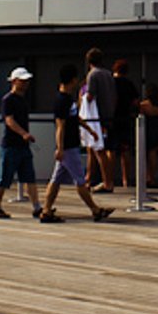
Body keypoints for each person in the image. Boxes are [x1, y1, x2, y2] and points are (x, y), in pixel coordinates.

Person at [39, 64, 113, 224]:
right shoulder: (61, 101)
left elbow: (75, 118)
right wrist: (60, 148)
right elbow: (60, 126)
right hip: (68, 147)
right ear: (72, 80)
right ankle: (95, 210)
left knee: (56, 180)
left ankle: (46, 211)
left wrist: (90, 129)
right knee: (80, 181)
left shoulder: (68, 100)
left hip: (70, 146)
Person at [0, 67, 38, 219]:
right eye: (22, 81)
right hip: (10, 145)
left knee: (30, 177)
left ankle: (37, 207)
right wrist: (24, 133)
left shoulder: (23, 100)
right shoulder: (8, 100)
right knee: (4, 178)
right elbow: (9, 120)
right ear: (14, 81)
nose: (25, 84)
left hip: (22, 146)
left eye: (26, 81)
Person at [83, 47, 119, 192]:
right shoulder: (108, 74)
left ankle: (106, 182)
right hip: (110, 114)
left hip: (97, 117)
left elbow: (90, 95)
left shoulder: (93, 75)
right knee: (100, 149)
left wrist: (83, 98)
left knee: (99, 150)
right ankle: (91, 179)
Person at [109, 58, 140, 189]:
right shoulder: (129, 84)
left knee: (110, 150)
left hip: (111, 118)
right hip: (125, 118)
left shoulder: (110, 83)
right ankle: (125, 180)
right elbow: (136, 102)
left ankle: (109, 179)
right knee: (125, 150)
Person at [139, 80, 158, 188]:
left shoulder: (144, 105)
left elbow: (140, 117)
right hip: (157, 130)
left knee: (146, 155)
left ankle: (147, 176)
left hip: (147, 130)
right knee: (153, 154)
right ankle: (152, 177)